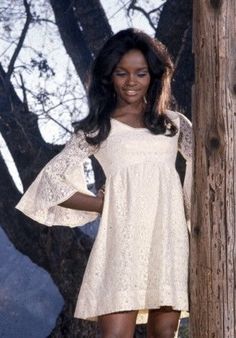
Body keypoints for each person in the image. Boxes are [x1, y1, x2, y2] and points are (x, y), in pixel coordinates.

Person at [16, 28, 192, 338]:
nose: (131, 81)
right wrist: (100, 203)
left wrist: (192, 215)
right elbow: (51, 182)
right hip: (121, 241)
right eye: (121, 72)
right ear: (108, 76)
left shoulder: (174, 125)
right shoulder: (99, 128)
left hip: (168, 237)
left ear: (153, 75)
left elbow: (209, 167)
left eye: (140, 72)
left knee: (165, 334)